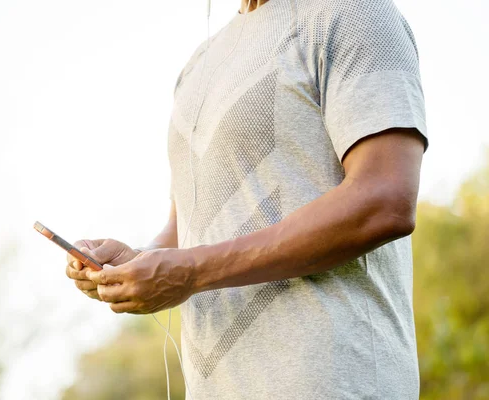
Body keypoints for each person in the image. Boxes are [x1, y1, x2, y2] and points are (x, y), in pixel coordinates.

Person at [66, 0, 428, 398]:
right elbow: (187, 227)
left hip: (333, 381)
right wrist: (137, 262)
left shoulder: (354, 12)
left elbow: (385, 199)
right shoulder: (197, 66)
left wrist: (190, 271)